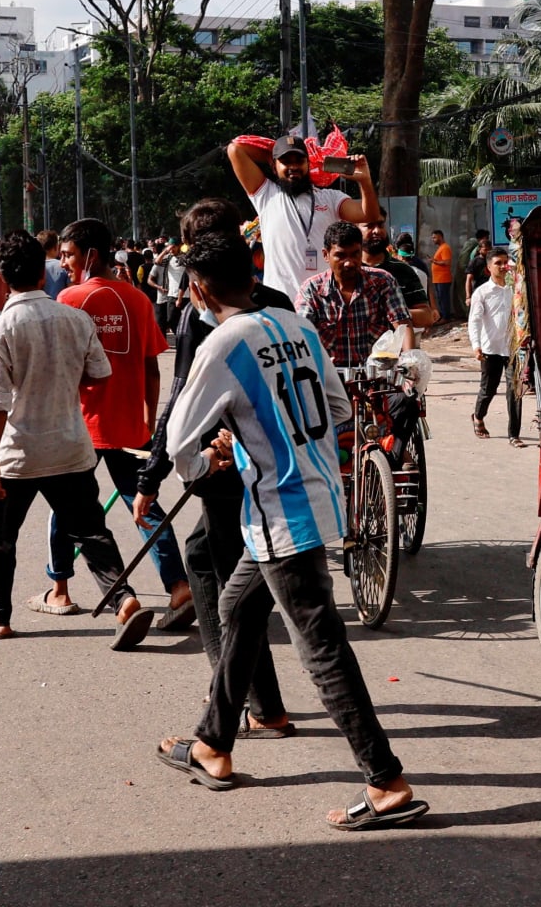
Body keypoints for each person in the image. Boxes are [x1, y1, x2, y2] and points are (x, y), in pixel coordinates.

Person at [158, 232, 426, 830]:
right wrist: (273, 442)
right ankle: (213, 741)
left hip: (282, 513)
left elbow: (179, 440)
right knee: (238, 608)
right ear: (252, 275)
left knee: (320, 645)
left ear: (199, 289)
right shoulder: (293, 324)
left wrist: (213, 463)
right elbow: (336, 410)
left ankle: (384, 779)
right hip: (316, 497)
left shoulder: (223, 343)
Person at [142, 198, 290, 741]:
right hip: (277, 466)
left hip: (232, 467)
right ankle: (244, 697)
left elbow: (180, 403)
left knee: (233, 583)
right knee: (217, 563)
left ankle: (254, 702)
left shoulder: (205, 319)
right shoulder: (278, 304)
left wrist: (153, 474)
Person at [0, 229, 154, 649]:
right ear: (42, 273)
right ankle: (123, 599)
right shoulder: (76, 319)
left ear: (3, 278)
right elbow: (100, 373)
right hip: (70, 446)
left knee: (2, 536)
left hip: (19, 451)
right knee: (90, 531)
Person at [39, 218, 191, 625]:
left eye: (69, 255)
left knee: (68, 509)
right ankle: (178, 586)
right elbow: (153, 367)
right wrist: (150, 419)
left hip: (81, 425)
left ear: (90, 255)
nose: (65, 263)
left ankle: (60, 588)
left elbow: (60, 368)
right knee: (146, 507)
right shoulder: (139, 301)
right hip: (129, 426)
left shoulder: (70, 300)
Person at [226, 133, 382, 306]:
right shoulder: (266, 195)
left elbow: (369, 215)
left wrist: (365, 181)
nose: (293, 166)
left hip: (323, 306)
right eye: (286, 161)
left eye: (299, 161)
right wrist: (274, 151)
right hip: (280, 305)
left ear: (309, 163)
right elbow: (235, 149)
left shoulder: (329, 198)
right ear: (273, 166)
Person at [299, 222, 417, 371]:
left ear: (361, 252)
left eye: (355, 254)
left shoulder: (383, 282)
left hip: (376, 375)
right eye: (340, 255)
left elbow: (402, 325)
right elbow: (299, 334)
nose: (349, 263)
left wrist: (409, 365)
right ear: (325, 255)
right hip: (329, 377)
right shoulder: (311, 290)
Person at [468, 246, 521, 441]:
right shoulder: (482, 293)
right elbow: (474, 321)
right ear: (488, 267)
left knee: (515, 391)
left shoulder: (516, 289)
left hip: (513, 349)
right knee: (488, 389)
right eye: (497, 263)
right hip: (490, 348)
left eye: (504, 262)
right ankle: (479, 416)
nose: (502, 266)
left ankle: (514, 435)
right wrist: (476, 345)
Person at [361, 222, 439, 329]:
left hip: (405, 331)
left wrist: (395, 314)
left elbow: (424, 315)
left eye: (381, 225)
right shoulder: (420, 266)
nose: (377, 231)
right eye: (369, 226)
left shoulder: (399, 272)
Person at [461, 228, 492, 309]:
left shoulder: (492, 260)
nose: (488, 252)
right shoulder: (475, 261)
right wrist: (468, 297)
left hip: (491, 292)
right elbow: (469, 279)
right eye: (485, 250)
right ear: (480, 249)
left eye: (489, 250)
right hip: (478, 292)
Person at [428, 229, 454, 321]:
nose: (433, 239)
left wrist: (433, 261)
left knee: (443, 299)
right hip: (438, 279)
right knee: (440, 298)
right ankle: (443, 316)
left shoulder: (445, 248)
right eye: (432, 238)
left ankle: (446, 317)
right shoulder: (441, 248)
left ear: (440, 237)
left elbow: (447, 262)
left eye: (434, 237)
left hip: (443, 278)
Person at [36, 230, 71, 299]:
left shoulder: (33, 267)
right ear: (56, 247)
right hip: (60, 307)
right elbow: (71, 290)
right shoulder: (64, 266)